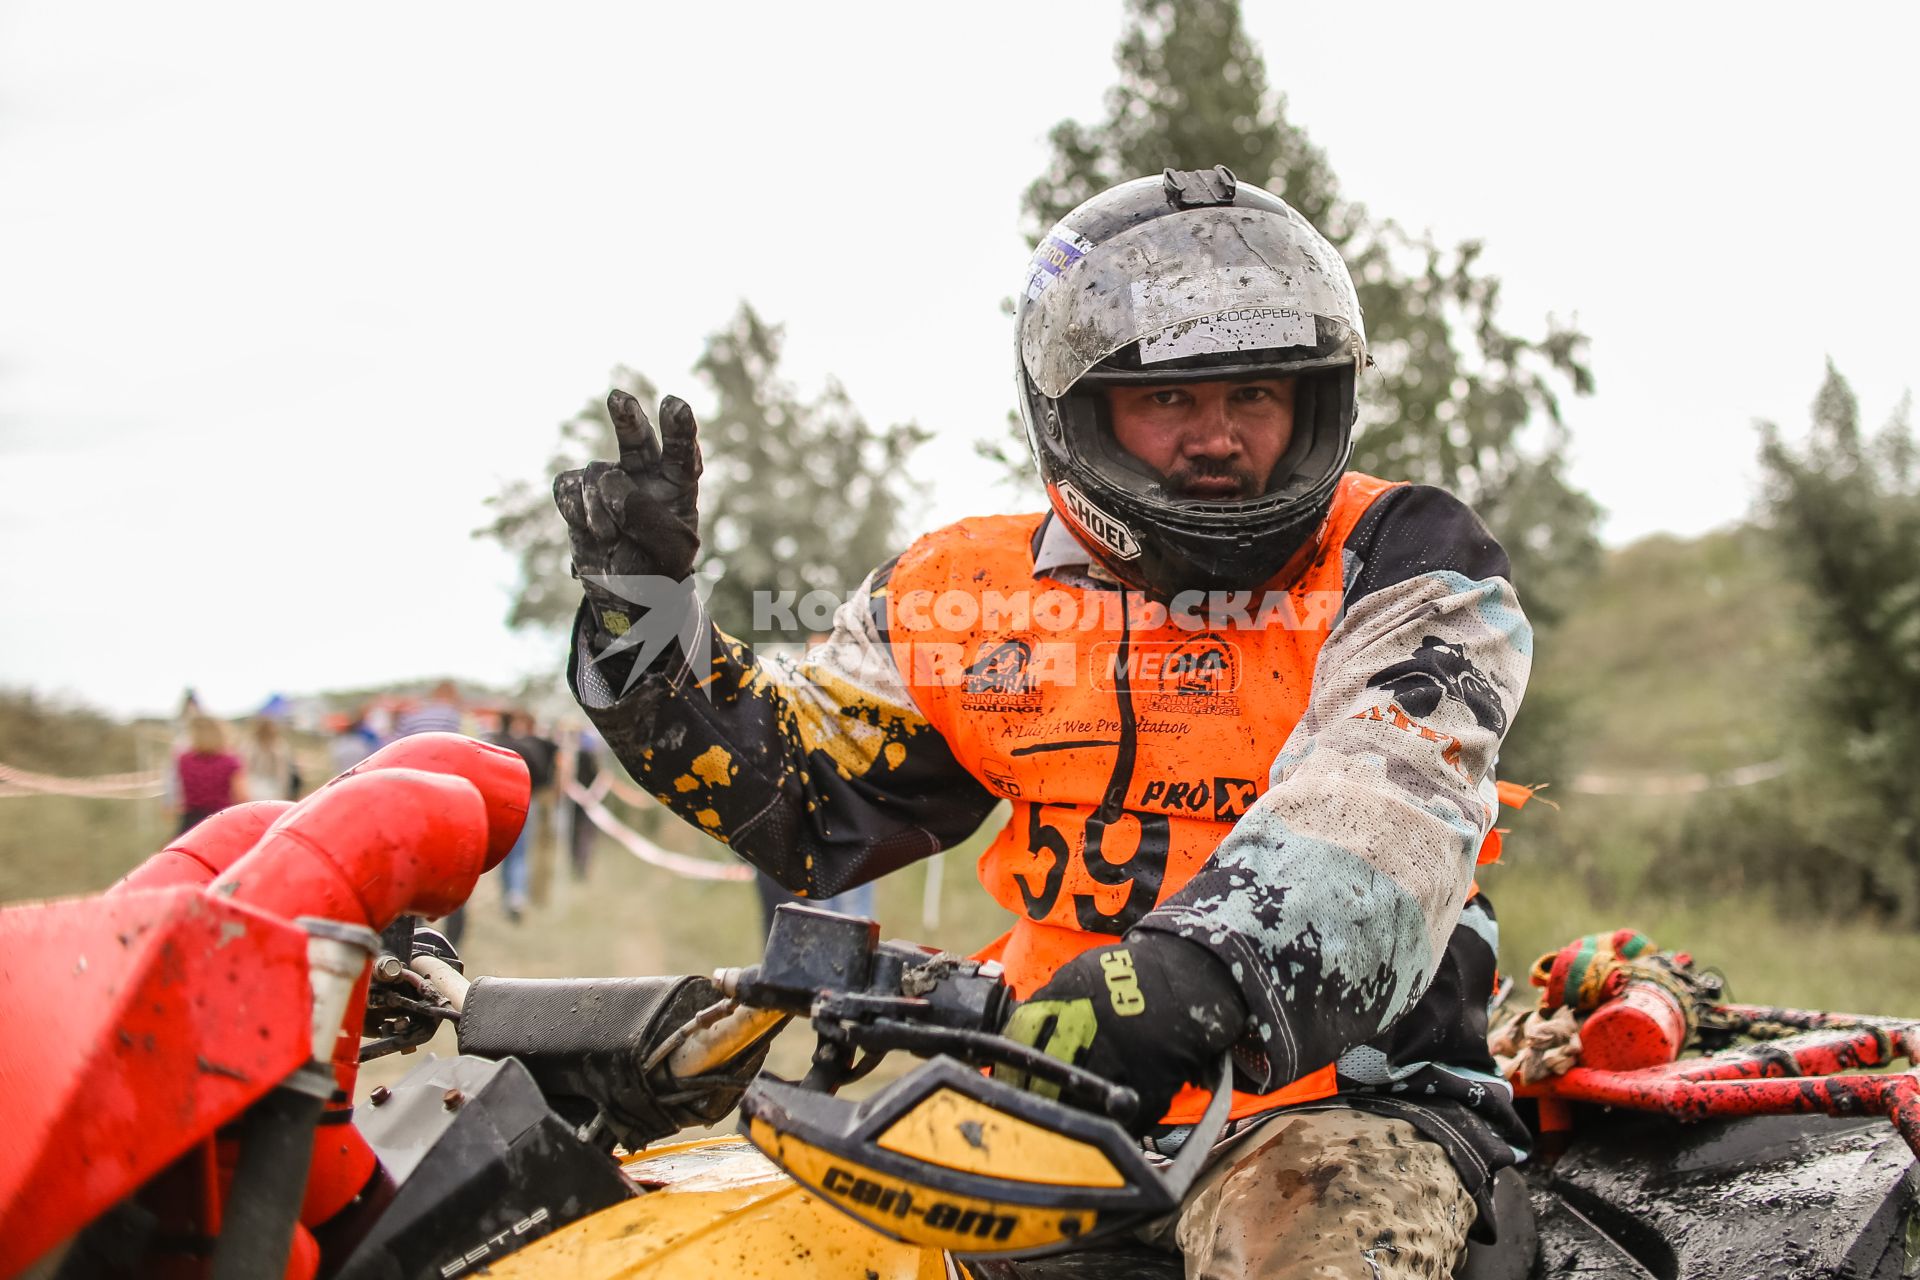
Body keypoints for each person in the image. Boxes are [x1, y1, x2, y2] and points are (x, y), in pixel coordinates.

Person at [555, 168, 1530, 1279]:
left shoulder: (1406, 559)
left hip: (1343, 1104)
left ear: (1315, 401)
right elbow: (800, 799)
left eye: (1253, 395)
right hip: (1043, 1076)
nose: (1216, 437)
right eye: (1170, 399)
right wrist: (642, 617)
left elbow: (1386, 796)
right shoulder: (958, 591)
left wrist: (1176, 979)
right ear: (1082, 409)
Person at [487, 709, 556, 921]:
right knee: (516, 853)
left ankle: (512, 895)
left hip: (509, 803)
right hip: (525, 801)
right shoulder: (533, 745)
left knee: (508, 853)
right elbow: (543, 773)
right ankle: (514, 895)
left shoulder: (496, 743)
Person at [173, 714, 247, 834]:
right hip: (222, 819)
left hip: (191, 822)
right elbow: (241, 796)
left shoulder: (184, 760)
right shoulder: (230, 761)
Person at [243, 715, 299, 802]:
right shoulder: (279, 746)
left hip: (259, 785)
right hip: (267, 786)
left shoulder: (250, 745)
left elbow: (245, 766)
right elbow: (283, 771)